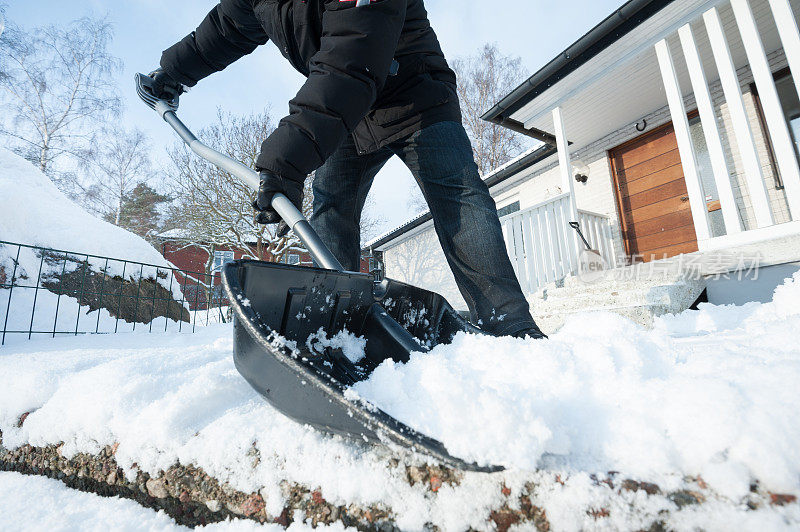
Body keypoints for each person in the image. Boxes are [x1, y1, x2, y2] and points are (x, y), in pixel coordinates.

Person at [148, 0, 544, 339]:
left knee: (459, 198)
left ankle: (509, 326)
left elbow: (350, 62)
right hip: (350, 112)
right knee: (330, 207)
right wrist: (170, 74)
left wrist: (285, 162)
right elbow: (222, 30)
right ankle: (335, 326)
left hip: (416, 99)